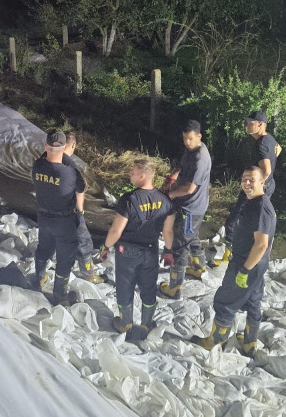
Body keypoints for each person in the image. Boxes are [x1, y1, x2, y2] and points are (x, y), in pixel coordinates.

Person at [192, 166, 276, 355]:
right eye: (244, 179)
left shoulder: (261, 207)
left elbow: (261, 244)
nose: (246, 183)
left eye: (251, 179)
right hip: (256, 264)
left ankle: (215, 342)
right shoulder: (253, 202)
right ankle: (249, 343)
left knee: (225, 301)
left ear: (263, 182)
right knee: (253, 301)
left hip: (247, 263)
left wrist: (244, 270)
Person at [100, 158, 175, 341]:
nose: (129, 174)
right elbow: (168, 231)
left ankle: (125, 323)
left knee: (125, 286)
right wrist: (168, 251)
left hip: (127, 251)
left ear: (142, 176)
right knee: (148, 287)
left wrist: (106, 246)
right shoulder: (165, 201)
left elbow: (116, 230)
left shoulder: (129, 200)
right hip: (150, 251)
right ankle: (146, 324)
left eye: (132, 172)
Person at [216, 110, 281, 266]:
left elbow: (266, 171)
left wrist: (252, 187)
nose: (247, 125)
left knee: (235, 220)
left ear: (260, 124)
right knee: (256, 222)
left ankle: (230, 255)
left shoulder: (261, 144)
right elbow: (278, 149)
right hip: (269, 187)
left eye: (250, 123)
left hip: (259, 189)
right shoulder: (270, 140)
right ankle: (251, 252)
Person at [32, 129, 86, 305]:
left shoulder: (37, 166)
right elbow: (82, 188)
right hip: (64, 221)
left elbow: (43, 158)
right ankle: (59, 293)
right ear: (64, 148)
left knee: (44, 247)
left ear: (46, 146)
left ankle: (39, 277)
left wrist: (50, 151)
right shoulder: (69, 173)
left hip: (43, 217)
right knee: (65, 257)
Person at [159, 119, 212, 299]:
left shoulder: (201, 159)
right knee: (192, 237)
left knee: (180, 244)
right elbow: (182, 169)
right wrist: (171, 180)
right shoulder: (191, 150)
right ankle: (199, 268)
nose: (186, 142)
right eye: (184, 138)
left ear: (199, 136)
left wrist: (171, 195)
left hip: (191, 208)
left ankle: (175, 288)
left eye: (190, 139)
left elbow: (190, 188)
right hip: (189, 204)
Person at [63, 131, 103, 284]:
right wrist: (80, 211)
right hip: (70, 210)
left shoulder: (46, 160)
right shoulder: (71, 165)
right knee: (84, 241)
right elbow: (80, 190)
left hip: (50, 210)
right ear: (72, 145)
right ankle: (88, 274)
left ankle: (42, 273)